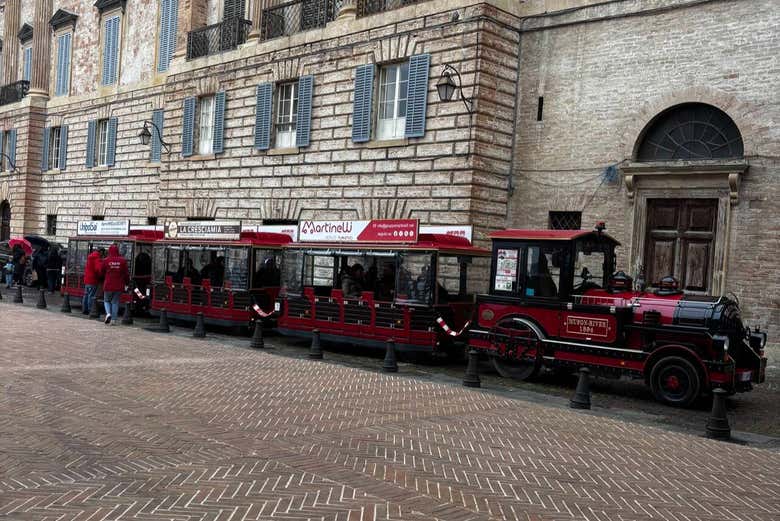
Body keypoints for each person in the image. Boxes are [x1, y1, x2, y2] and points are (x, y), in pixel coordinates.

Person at [99, 244, 129, 325]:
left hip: (108, 285)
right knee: (115, 302)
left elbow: (101, 272)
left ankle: (108, 313)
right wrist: (127, 283)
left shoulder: (106, 260)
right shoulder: (123, 261)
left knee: (106, 301)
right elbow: (126, 274)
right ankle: (113, 320)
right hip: (119, 286)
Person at [82, 247, 104, 315]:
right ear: (101, 252)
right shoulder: (97, 258)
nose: (102, 255)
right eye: (103, 253)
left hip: (87, 279)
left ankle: (84, 309)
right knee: (91, 295)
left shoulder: (90, 256)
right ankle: (90, 309)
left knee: (86, 294)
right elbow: (98, 269)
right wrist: (101, 275)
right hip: (93, 279)